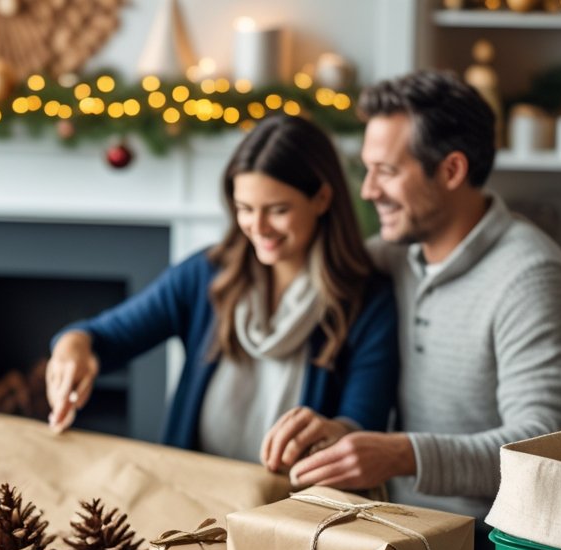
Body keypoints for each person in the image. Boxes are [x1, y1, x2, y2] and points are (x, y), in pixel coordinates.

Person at [282, 70, 561, 550]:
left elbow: (545, 448)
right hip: (399, 534)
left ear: (451, 170)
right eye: (366, 170)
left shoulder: (532, 276)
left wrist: (400, 453)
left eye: (385, 171)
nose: (368, 189)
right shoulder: (395, 257)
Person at [47, 115, 398, 464]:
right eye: (245, 209)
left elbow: (363, 426)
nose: (257, 227)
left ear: (321, 198)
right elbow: (103, 337)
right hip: (194, 500)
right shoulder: (203, 275)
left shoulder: (369, 301)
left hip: (297, 512)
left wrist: (335, 432)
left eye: (277, 210)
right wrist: (72, 347)